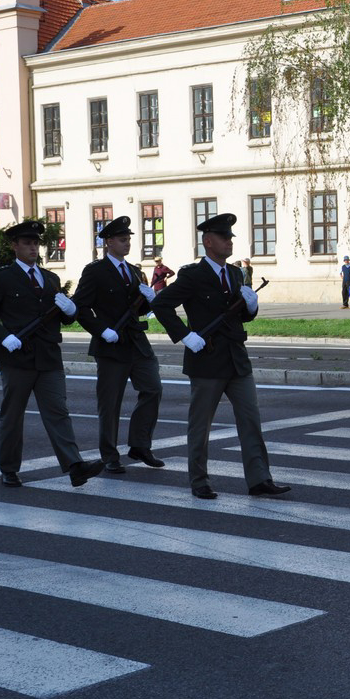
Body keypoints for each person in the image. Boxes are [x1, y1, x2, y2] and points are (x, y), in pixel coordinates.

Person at [151, 213, 291, 500]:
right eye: (224, 238)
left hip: (236, 359)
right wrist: (184, 335)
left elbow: (240, 316)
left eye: (230, 238)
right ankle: (199, 480)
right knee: (200, 426)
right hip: (206, 360)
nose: (229, 242)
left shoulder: (235, 273)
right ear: (208, 241)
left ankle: (260, 479)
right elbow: (162, 304)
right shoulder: (192, 275)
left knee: (251, 421)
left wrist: (251, 308)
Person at [0, 220, 104, 488]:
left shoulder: (51, 278)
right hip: (17, 357)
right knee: (13, 416)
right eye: (27, 243)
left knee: (58, 412)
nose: (33, 248)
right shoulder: (2, 278)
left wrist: (70, 311)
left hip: (48, 357)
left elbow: (62, 320)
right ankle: (9, 468)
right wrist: (3, 336)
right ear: (15, 246)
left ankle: (75, 466)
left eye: (35, 243)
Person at [72, 216, 164, 474]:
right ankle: (110, 455)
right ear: (109, 241)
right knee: (110, 404)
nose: (127, 244)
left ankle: (140, 445)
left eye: (129, 240)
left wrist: (148, 300)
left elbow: (140, 308)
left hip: (136, 342)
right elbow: (80, 307)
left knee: (153, 389)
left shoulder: (134, 270)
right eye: (123, 240)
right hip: (111, 345)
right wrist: (101, 330)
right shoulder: (95, 271)